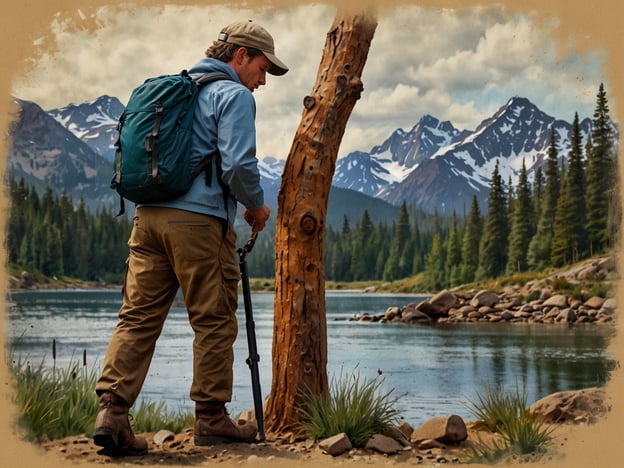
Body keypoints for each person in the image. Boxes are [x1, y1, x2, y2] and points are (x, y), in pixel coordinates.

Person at [93, 20, 288, 456]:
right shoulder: (232, 95)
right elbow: (238, 167)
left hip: (147, 219)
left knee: (138, 317)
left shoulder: (178, 88)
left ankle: (112, 413)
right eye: (261, 68)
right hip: (197, 223)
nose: (261, 81)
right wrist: (255, 207)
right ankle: (212, 418)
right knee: (214, 317)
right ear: (240, 56)